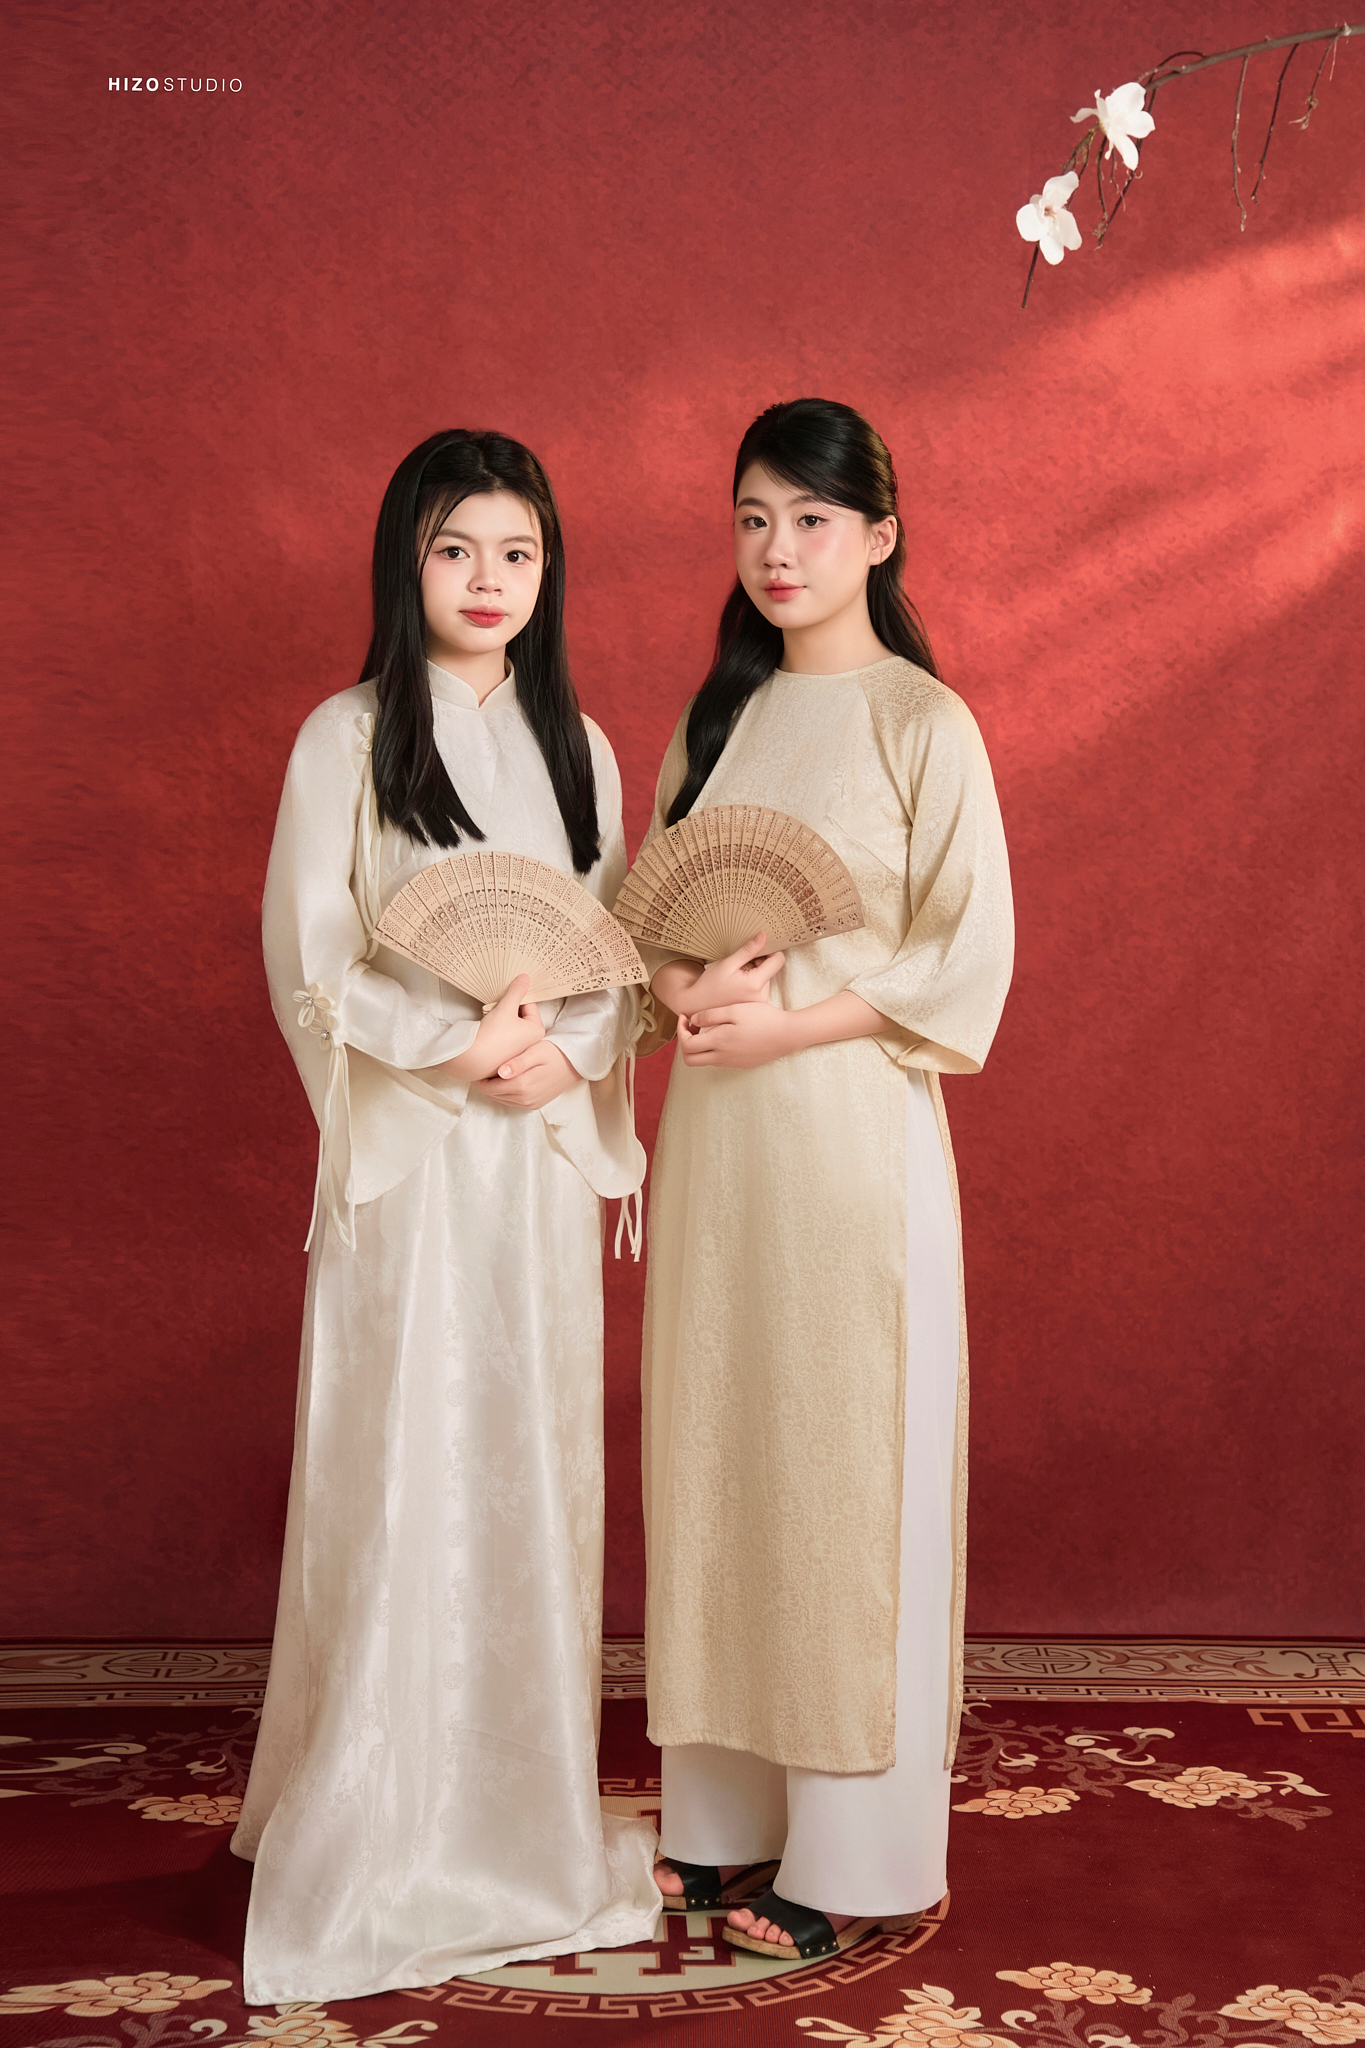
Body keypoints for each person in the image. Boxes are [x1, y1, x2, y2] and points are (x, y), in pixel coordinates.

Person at [231, 429, 661, 2001]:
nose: (488, 581)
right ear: (403, 562)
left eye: (517, 553)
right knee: (403, 1450)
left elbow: (611, 953)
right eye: (455, 549)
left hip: (532, 1157)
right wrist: (441, 1043)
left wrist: (568, 1052)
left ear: (550, 572)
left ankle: (514, 1813)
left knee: (529, 1453)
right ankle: (378, 1809)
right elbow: (309, 953)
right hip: (415, 1155)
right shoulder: (345, 738)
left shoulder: (581, 749)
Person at [637, 398, 1014, 1959]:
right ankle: (723, 1825)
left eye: (807, 517)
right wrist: (682, 992)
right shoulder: (717, 717)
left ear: (879, 533)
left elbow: (964, 949)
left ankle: (856, 1854)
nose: (776, 549)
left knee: (844, 1467)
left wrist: (792, 1021)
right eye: (751, 519)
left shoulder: (924, 722)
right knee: (717, 1455)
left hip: (849, 1139)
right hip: (716, 1148)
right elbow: (645, 918)